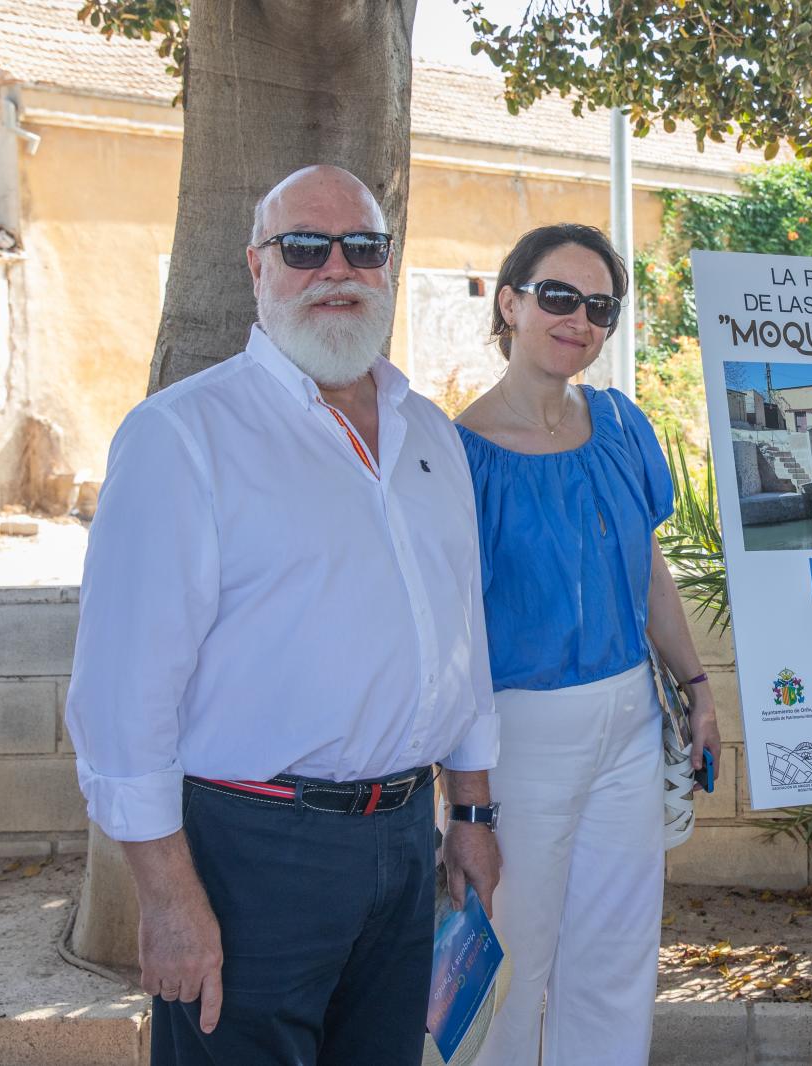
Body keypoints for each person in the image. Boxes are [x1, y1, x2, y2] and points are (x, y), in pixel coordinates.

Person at [66, 165, 501, 1066]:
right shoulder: (182, 435)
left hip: (405, 839)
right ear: (256, 267)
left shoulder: (431, 434)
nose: (336, 268)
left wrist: (473, 812)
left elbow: (463, 637)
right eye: (304, 246)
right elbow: (122, 696)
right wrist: (167, 897)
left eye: (363, 246)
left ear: (387, 264)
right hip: (249, 854)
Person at [455, 223, 722, 1066]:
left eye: (599, 307)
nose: (579, 320)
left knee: (615, 961)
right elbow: (450, 635)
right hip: (517, 736)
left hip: (630, 723)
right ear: (510, 303)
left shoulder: (620, 425)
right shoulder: (457, 455)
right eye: (558, 297)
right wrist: (463, 794)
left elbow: (649, 572)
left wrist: (697, 687)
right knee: (507, 964)